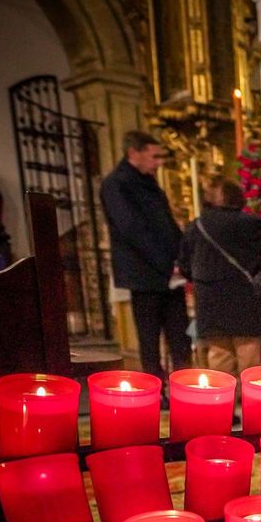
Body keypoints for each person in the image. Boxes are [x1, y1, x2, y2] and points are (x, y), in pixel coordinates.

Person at [178, 177, 261, 372]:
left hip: (207, 298)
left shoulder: (195, 226)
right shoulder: (244, 223)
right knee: (248, 351)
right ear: (236, 198)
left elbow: (184, 264)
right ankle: (251, 400)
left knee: (218, 354)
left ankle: (223, 399)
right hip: (239, 295)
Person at [101, 130, 190, 388]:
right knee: (149, 339)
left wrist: (182, 259)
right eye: (154, 156)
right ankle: (156, 390)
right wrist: (167, 264)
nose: (159, 162)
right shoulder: (116, 184)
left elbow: (167, 224)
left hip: (170, 273)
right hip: (144, 273)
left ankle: (184, 387)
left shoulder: (149, 182)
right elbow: (132, 230)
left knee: (179, 336)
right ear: (133, 154)